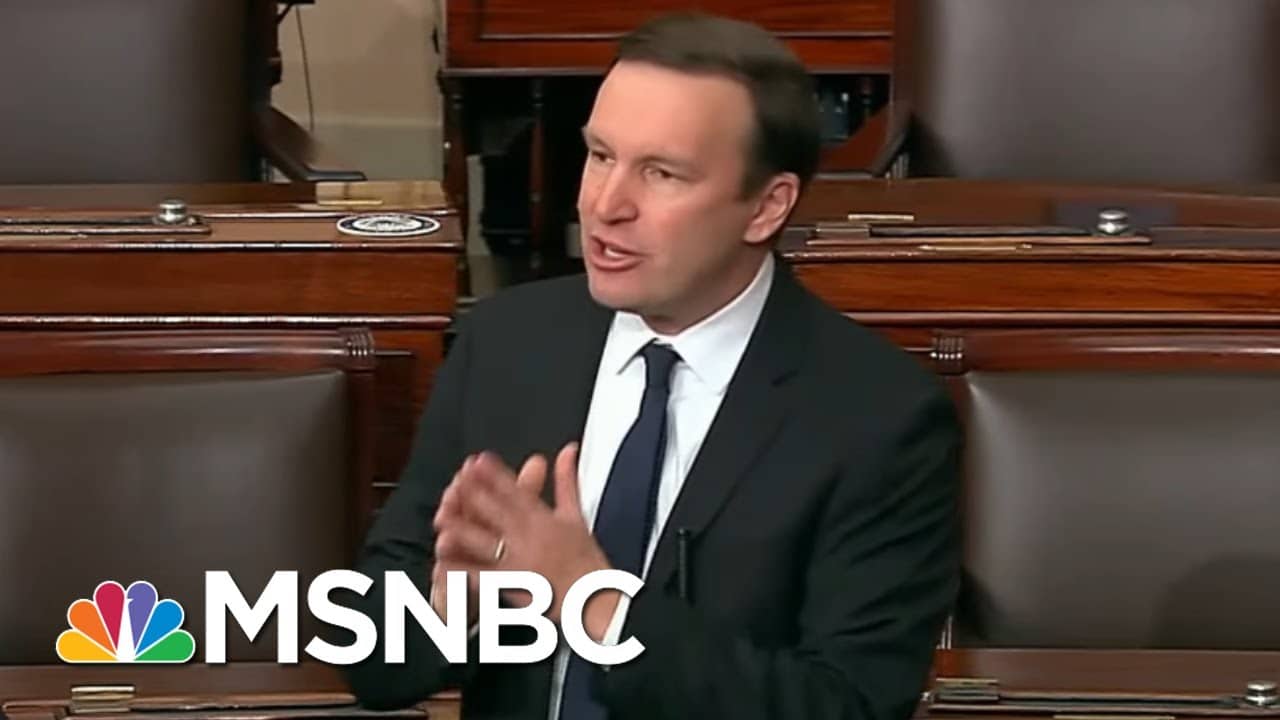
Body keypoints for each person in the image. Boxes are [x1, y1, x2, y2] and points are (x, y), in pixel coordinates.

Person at [341, 11, 961, 720]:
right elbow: (371, 662)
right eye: (600, 155)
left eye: (661, 173)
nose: (605, 205)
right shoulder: (508, 343)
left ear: (766, 207)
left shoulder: (880, 418)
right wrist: (452, 607)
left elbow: (847, 706)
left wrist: (597, 604)